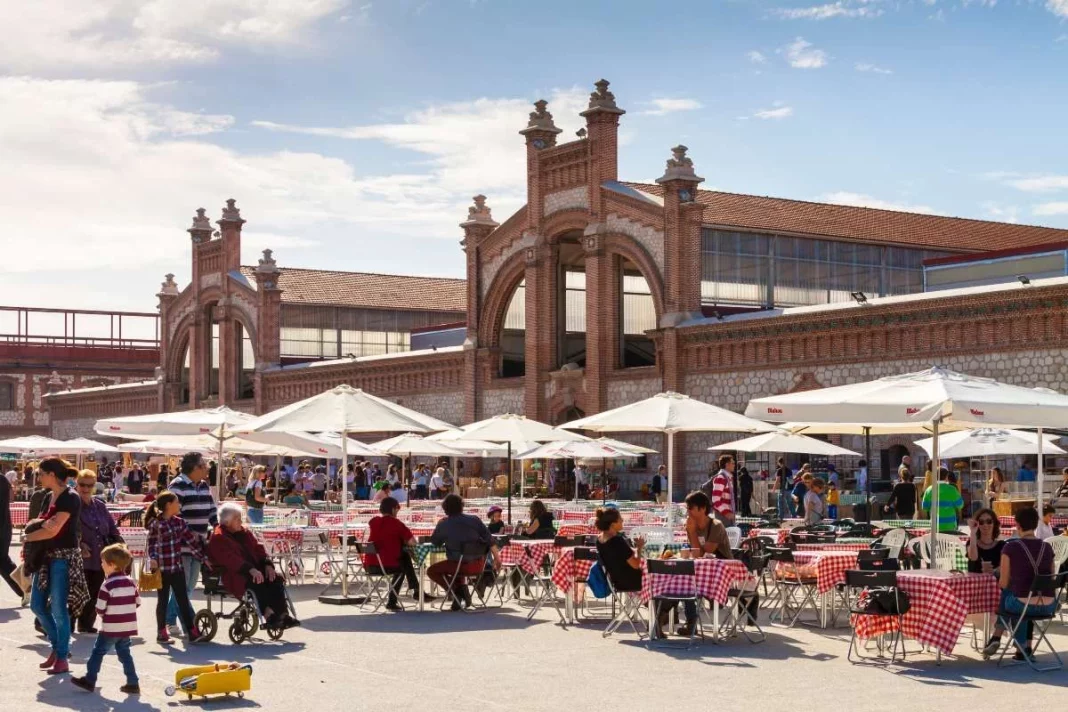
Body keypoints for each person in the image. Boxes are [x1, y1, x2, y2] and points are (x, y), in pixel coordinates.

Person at [24, 458, 90, 674]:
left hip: (64, 558)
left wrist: (29, 537)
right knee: (36, 605)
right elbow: (42, 524)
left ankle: (62, 656)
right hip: (45, 557)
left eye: (41, 473)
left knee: (60, 609)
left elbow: (52, 529)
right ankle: (58, 647)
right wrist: (36, 530)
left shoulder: (70, 498)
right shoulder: (46, 497)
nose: (39, 477)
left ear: (52, 474)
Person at [982, 507, 1059, 660]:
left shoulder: (1010, 547)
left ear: (1017, 525)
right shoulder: (1047, 547)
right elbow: (1051, 577)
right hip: (1049, 606)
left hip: (1023, 605)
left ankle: (998, 637)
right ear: (1036, 525)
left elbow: (1003, 583)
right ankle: (1024, 649)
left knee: (1011, 594)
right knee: (1024, 595)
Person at [207, 503, 298, 629]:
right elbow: (230, 560)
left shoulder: (245, 533)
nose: (241, 521)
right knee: (256, 581)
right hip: (234, 573)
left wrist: (267, 564)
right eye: (237, 519)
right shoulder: (219, 537)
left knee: (274, 579)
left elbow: (258, 548)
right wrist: (250, 569)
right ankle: (268, 614)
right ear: (227, 522)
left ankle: (282, 614)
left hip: (254, 569)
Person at [70, 544, 141, 694]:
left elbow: (100, 608)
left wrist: (105, 615)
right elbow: (138, 602)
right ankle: (133, 681)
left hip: (110, 628)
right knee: (125, 654)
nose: (101, 564)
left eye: (103, 562)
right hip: (127, 628)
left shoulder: (107, 585)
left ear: (112, 565)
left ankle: (90, 679)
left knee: (98, 652)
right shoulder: (131, 582)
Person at [163, 452, 217, 638]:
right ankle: (190, 625)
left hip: (199, 546)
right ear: (195, 468)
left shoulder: (203, 486)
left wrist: (217, 527)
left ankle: (169, 619)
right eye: (204, 465)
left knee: (188, 586)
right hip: (182, 545)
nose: (207, 468)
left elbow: (211, 510)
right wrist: (188, 531)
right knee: (183, 587)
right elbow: (172, 515)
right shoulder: (177, 486)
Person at [145, 491, 208, 644]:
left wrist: (203, 558)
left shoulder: (180, 523)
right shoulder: (156, 524)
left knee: (183, 600)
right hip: (161, 570)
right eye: (177, 502)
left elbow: (191, 543)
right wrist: (152, 559)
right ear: (168, 505)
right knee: (162, 600)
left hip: (177, 568)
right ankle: (161, 632)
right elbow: (151, 545)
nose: (179, 505)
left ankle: (192, 631)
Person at [428, 494, 499, 610]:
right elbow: (490, 539)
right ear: (462, 506)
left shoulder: (444, 525)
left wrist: (439, 526)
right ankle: (459, 593)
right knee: (456, 564)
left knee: (432, 571)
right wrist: (497, 558)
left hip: (457, 565)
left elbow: (435, 543)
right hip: (479, 565)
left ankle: (457, 591)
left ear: (445, 509)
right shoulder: (475, 520)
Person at [75, 470, 123, 634]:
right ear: (76, 484)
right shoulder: (73, 504)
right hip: (81, 556)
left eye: (90, 485)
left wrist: (120, 545)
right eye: (82, 485)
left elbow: (112, 528)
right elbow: (68, 529)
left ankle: (86, 623)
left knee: (95, 591)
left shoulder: (100, 505)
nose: (86, 488)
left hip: (100, 556)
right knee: (78, 591)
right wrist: (79, 543)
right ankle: (68, 623)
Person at [364, 496, 426, 610]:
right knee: (403, 565)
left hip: (369, 565)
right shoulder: (397, 524)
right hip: (385, 566)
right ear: (393, 509)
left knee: (404, 558)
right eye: (397, 508)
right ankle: (412, 591)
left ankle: (415, 590)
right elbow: (413, 543)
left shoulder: (374, 522)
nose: (398, 510)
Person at [0, 468, 25, 601]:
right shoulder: (3, 480)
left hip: (2, 528)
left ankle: (26, 588)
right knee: (3, 561)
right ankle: (25, 589)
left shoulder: (2, 480)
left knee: (3, 561)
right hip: (4, 527)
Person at [921, 467, 964, 533]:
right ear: (947, 477)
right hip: (950, 526)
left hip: (934, 526)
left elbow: (925, 507)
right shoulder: (952, 489)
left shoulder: (929, 490)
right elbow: (960, 505)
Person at [967, 508, 1004, 578]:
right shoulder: (972, 542)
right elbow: (973, 557)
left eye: (989, 521)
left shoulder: (1001, 545)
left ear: (994, 523)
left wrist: (994, 571)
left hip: (995, 585)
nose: (985, 525)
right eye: (981, 522)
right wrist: (973, 532)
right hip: (975, 585)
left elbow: (1004, 567)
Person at [702, 454, 736, 526]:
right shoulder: (721, 478)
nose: (734, 465)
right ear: (727, 464)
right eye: (733, 463)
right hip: (723, 516)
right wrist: (726, 513)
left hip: (726, 515)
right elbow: (715, 500)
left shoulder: (727, 477)